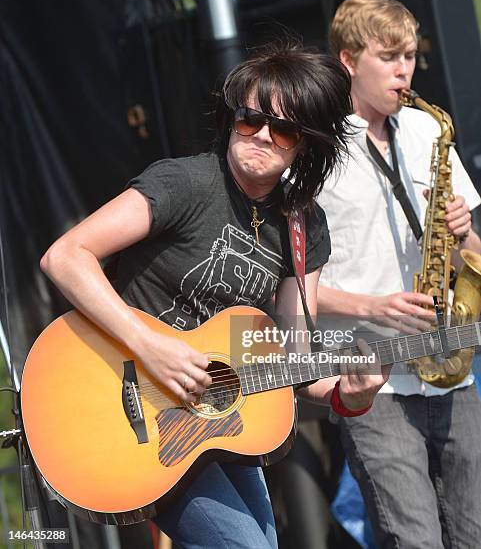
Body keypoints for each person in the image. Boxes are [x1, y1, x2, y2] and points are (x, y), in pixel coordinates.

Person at [40, 44, 389, 549]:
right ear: (232, 120)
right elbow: (65, 255)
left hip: (212, 424)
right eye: (251, 119)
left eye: (284, 129)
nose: (264, 135)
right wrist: (151, 346)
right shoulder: (183, 182)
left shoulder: (302, 225)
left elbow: (293, 364)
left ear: (306, 146)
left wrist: (348, 395)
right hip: (127, 407)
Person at [316, 0, 481, 548]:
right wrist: (372, 307)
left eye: (409, 55)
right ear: (348, 61)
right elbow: (292, 285)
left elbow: (473, 257)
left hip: (449, 367)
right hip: (372, 374)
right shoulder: (314, 151)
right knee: (415, 540)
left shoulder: (429, 131)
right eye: (388, 56)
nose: (404, 69)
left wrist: (463, 235)